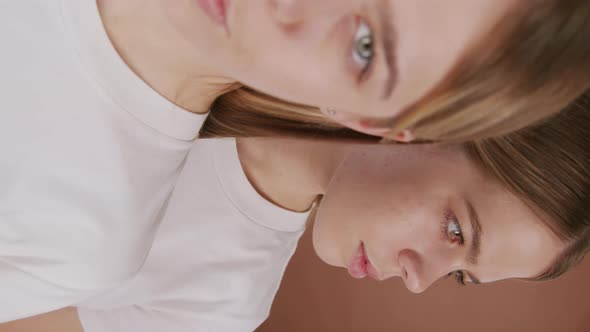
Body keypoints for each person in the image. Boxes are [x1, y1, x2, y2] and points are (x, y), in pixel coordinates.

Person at [1, 0, 589, 324]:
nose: (417, 277)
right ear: (430, 128)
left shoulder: (90, 240)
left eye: (460, 273)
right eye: (454, 230)